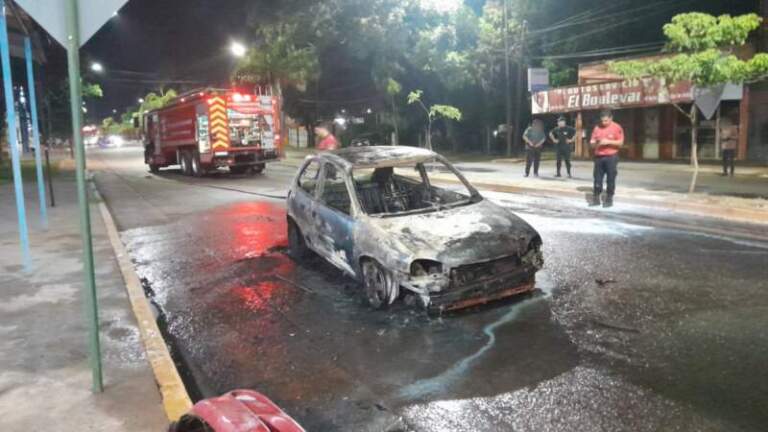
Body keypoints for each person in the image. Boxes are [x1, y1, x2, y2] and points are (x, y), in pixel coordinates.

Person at [589, 110, 624, 208]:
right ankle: (596, 198)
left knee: (611, 178)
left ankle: (609, 199)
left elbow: (620, 143)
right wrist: (597, 144)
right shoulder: (597, 128)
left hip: (611, 157)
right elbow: (591, 143)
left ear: (611, 118)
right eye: (602, 121)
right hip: (599, 157)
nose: (604, 123)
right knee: (597, 178)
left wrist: (608, 142)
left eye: (606, 121)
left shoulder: (617, 127)